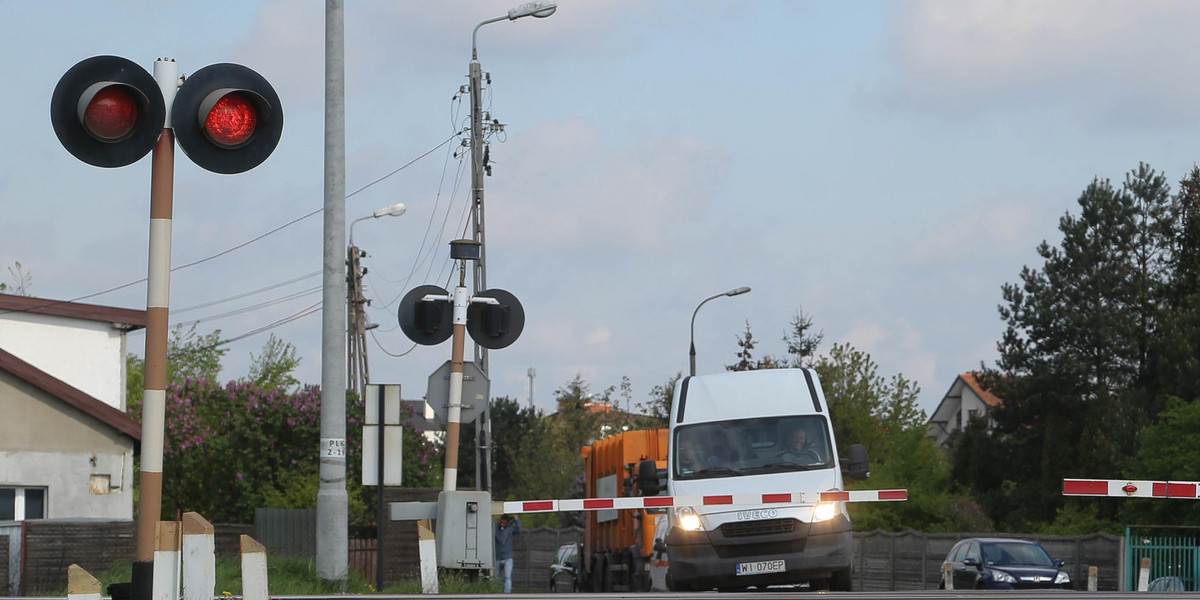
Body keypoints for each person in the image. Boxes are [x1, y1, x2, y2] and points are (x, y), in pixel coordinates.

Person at [494, 513, 522, 593]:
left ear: (507, 522)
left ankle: (507, 594)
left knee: (507, 577)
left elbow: (519, 530)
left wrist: (516, 520)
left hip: (508, 557)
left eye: (504, 523)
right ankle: (497, 593)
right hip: (497, 557)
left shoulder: (510, 529)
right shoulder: (495, 528)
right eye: (501, 522)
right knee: (496, 578)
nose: (502, 524)